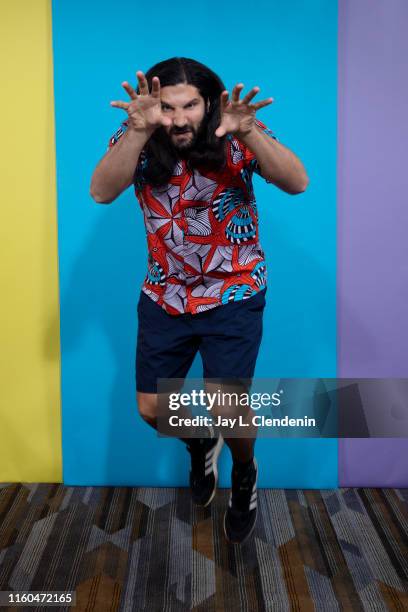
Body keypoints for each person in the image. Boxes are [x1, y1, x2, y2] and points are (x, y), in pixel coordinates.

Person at [90, 57, 308, 544]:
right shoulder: (139, 137)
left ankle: (245, 471)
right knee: (150, 410)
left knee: (225, 401)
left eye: (190, 105)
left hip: (233, 291)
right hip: (164, 294)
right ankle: (199, 441)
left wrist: (251, 132)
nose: (180, 118)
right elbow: (102, 192)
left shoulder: (236, 132)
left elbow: (297, 182)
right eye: (168, 107)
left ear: (207, 102)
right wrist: (138, 131)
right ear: (154, 105)